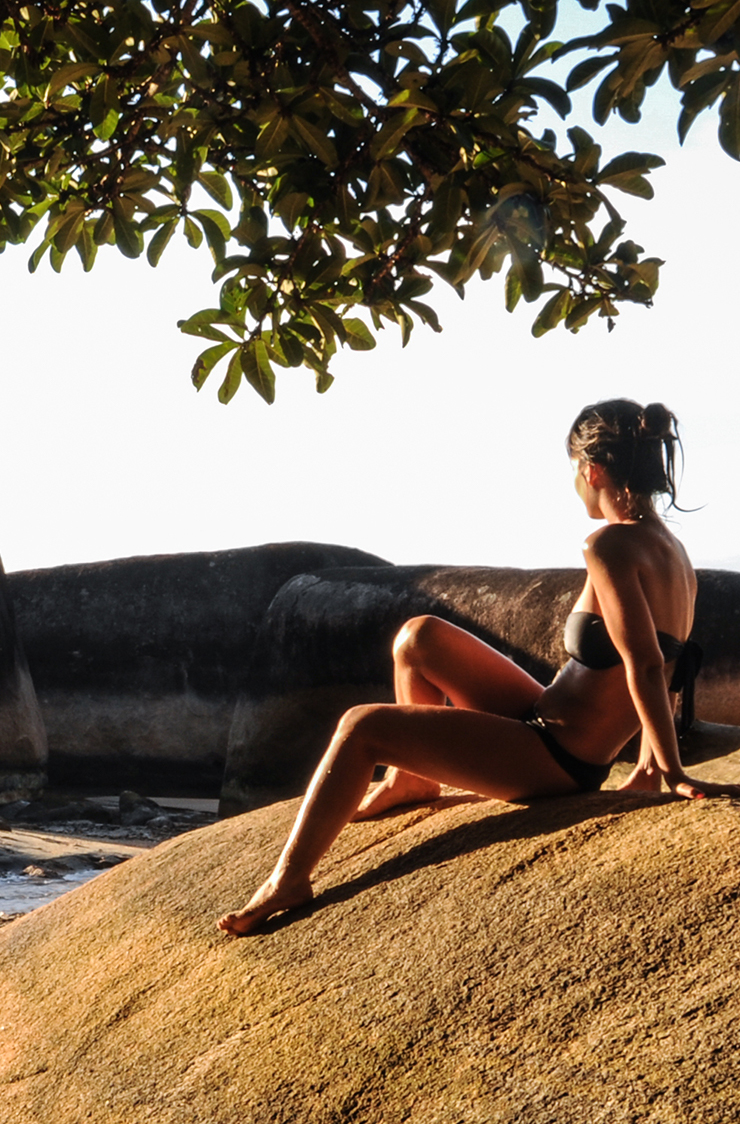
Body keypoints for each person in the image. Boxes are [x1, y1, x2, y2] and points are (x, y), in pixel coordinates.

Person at [219, 398, 738, 936]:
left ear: (592, 470)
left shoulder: (609, 543)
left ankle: (289, 877)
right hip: (543, 716)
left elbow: (649, 665)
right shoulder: (671, 551)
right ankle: (411, 780)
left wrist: (665, 771)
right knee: (419, 636)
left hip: (556, 758)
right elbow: (671, 659)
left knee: (362, 726)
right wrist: (650, 763)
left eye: (573, 472)